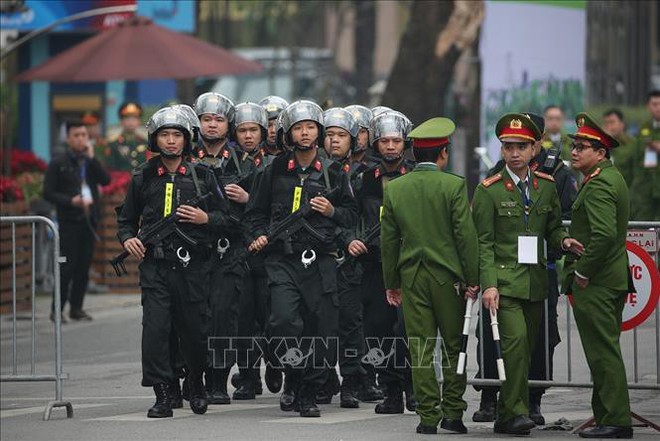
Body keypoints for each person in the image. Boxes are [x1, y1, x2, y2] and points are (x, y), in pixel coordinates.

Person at [245, 100, 357, 417]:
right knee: (282, 321)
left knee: (320, 329)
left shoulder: (335, 173)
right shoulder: (273, 170)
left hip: (321, 261)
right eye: (298, 127)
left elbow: (350, 216)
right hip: (283, 261)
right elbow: (254, 215)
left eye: (310, 127)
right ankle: (292, 379)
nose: (304, 133)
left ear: (318, 132)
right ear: (289, 134)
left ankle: (309, 390)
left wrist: (331, 211)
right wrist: (258, 236)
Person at [471, 113, 581, 435]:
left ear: (534, 148)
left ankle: (507, 415)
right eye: (508, 147)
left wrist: (564, 240)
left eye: (521, 146)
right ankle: (516, 411)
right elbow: (484, 244)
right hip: (504, 284)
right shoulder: (488, 190)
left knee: (530, 348)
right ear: (502, 150)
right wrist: (488, 285)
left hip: (536, 282)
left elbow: (551, 229)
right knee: (515, 346)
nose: (514, 153)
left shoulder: (545, 187)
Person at [117, 106, 224, 418]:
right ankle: (163, 391)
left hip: (194, 267)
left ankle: (196, 381)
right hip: (156, 266)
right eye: (165, 134)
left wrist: (206, 218)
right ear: (155, 139)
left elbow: (228, 220)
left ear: (186, 139)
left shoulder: (204, 175)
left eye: (177, 135)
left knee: (195, 330)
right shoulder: (142, 176)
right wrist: (128, 239)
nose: (172, 141)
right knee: (155, 329)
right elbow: (125, 220)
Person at [380, 117, 479, 435]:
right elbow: (466, 237)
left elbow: (389, 242)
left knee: (420, 347)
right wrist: (473, 277)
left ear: (413, 155)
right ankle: (452, 413)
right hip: (447, 279)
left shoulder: (395, 189)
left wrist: (391, 282)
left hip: (411, 278)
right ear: (444, 153)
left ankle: (427, 417)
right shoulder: (454, 186)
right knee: (453, 346)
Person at [563, 112, 633, 439]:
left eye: (582, 146)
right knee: (602, 352)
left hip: (599, 281)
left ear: (600, 153)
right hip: (607, 279)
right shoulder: (603, 177)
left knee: (603, 353)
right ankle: (606, 416)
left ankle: (616, 420)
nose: (574, 151)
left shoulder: (602, 182)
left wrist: (582, 271)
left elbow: (604, 236)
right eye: (574, 146)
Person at [348, 111, 416, 415]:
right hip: (374, 264)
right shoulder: (364, 179)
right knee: (377, 329)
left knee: (408, 328)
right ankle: (391, 391)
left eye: (396, 140)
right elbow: (350, 215)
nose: (390, 146)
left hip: (409, 264)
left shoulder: (415, 176)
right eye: (385, 140)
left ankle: (414, 388)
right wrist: (353, 238)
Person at [191, 92, 242, 405]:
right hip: (192, 250)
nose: (211, 125)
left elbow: (253, 211)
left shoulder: (241, 161)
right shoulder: (185, 157)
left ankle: (219, 380)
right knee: (192, 316)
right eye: (206, 119)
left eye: (218, 120)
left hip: (229, 249)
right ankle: (192, 377)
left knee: (224, 317)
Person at [43, 120, 110, 322]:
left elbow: (105, 180)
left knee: (83, 266)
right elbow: (48, 192)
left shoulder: (89, 161)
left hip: (89, 220)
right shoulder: (58, 162)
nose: (81, 139)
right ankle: (57, 310)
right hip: (69, 221)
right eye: (76, 135)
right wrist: (70, 201)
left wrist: (93, 159)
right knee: (67, 267)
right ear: (68, 138)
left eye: (84, 135)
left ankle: (76, 308)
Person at [629, 90, 660, 220]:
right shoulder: (643, 128)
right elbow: (636, 158)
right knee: (643, 227)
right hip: (645, 188)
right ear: (648, 106)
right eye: (654, 104)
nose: (658, 108)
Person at [103, 101, 149, 171]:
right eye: (127, 118)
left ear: (139, 121)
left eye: (134, 118)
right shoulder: (113, 143)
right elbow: (109, 168)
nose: (131, 122)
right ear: (121, 121)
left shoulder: (145, 142)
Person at [602, 109, 635, 188]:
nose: (609, 126)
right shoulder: (599, 145)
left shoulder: (631, 144)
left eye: (612, 122)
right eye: (606, 123)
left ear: (622, 124)